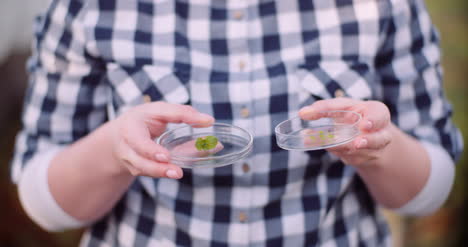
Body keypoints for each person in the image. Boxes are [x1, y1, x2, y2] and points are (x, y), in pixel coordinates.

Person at [11, 0, 463, 246]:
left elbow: (428, 193)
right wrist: (116, 148)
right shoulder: (85, 9)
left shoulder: (385, 7)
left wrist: (379, 147)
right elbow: (45, 204)